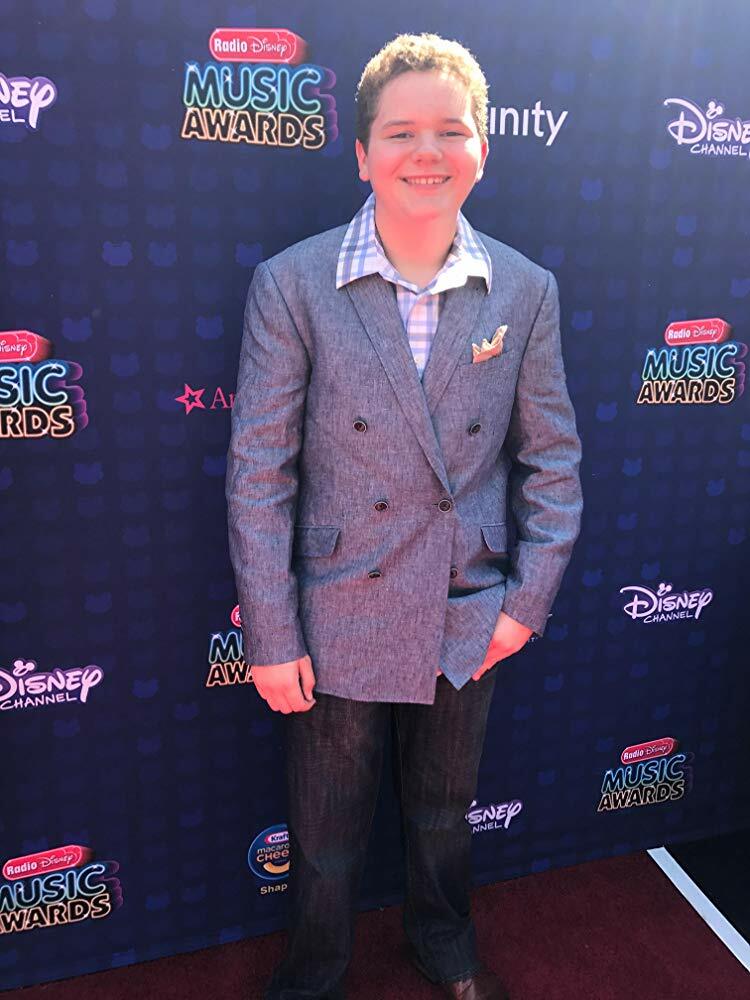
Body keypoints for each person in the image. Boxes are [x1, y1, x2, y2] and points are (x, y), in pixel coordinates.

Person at [226, 31, 583, 1000]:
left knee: (442, 813)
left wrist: (525, 604)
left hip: (467, 606)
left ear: (483, 150)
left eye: (451, 130)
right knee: (326, 833)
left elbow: (551, 461)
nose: (428, 151)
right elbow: (259, 471)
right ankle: (313, 972)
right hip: (337, 606)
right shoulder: (294, 283)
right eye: (401, 132)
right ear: (362, 155)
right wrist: (271, 633)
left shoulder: (525, 290)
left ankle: (444, 942)